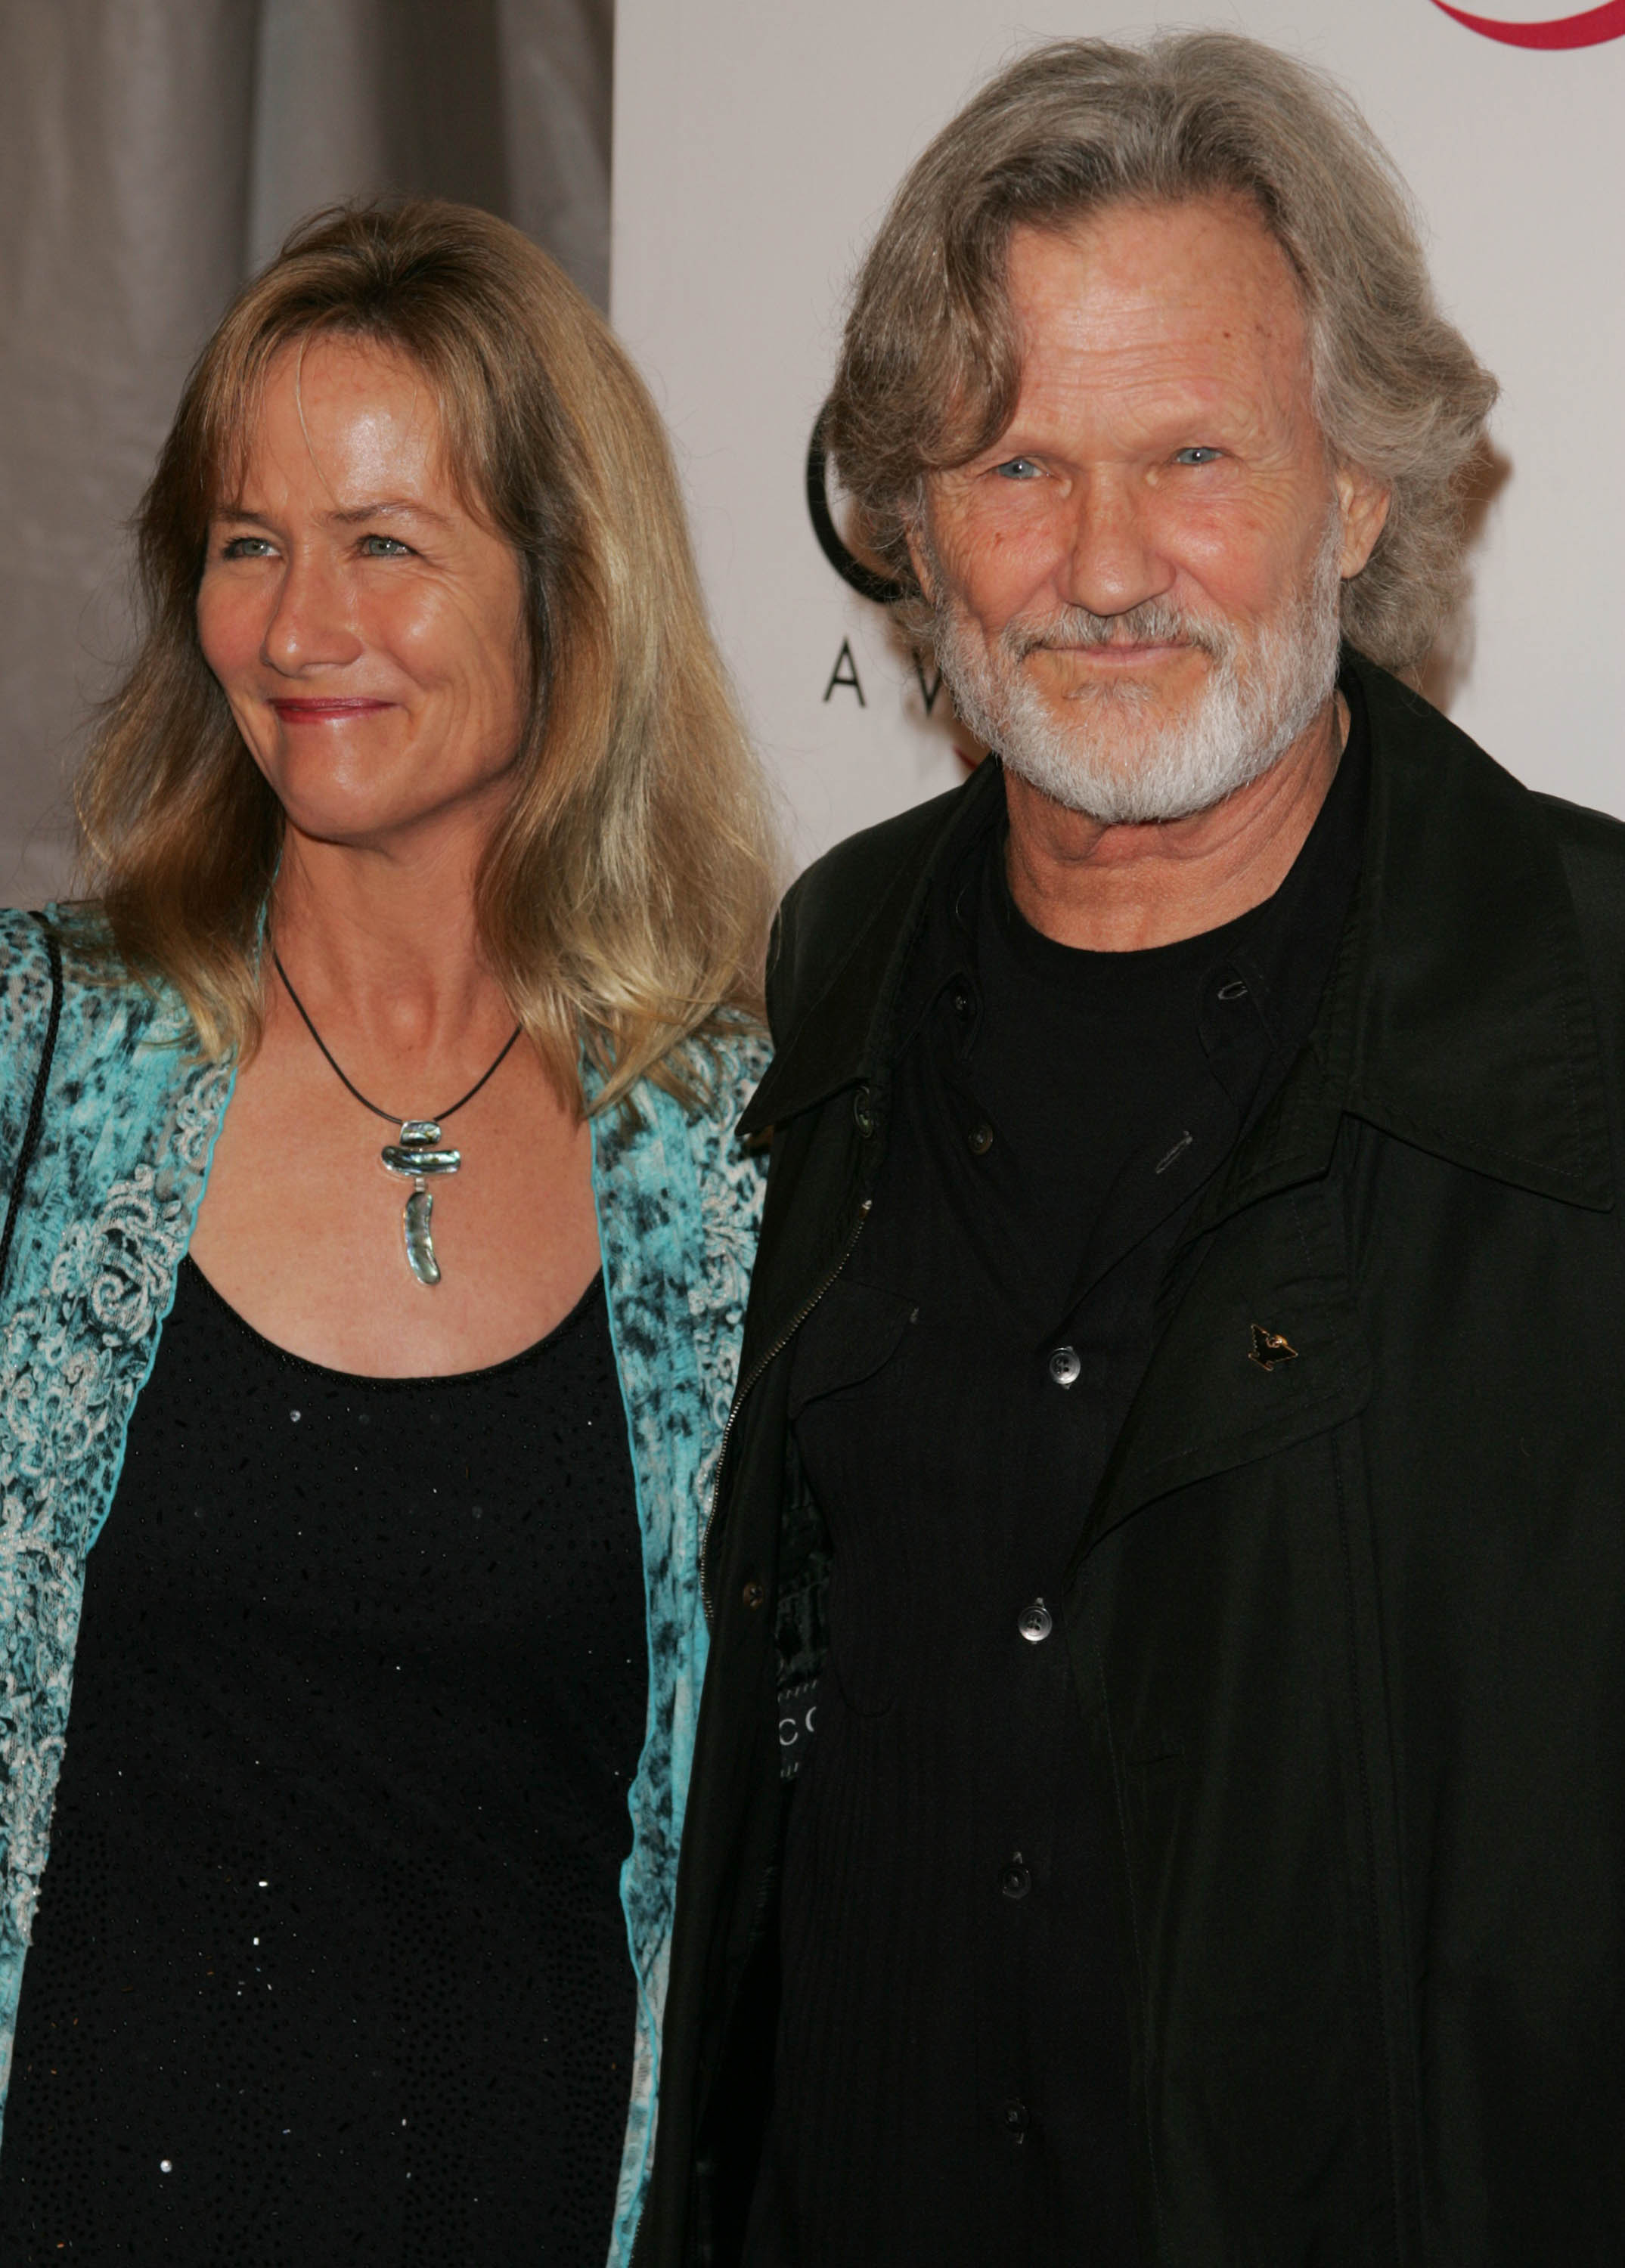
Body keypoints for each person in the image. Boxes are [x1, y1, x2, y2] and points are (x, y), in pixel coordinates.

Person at [643, 30, 1625, 2268]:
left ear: (1356, 489)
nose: (1102, 565)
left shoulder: (1588, 1013)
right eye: (1011, 466)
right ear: (908, 522)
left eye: (1194, 452)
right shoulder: (831, 968)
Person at [0, 200, 776, 2263]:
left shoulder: (738, 1166)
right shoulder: (30, 1063)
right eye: (248, 542)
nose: (296, 624)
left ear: (568, 592)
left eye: (389, 543)